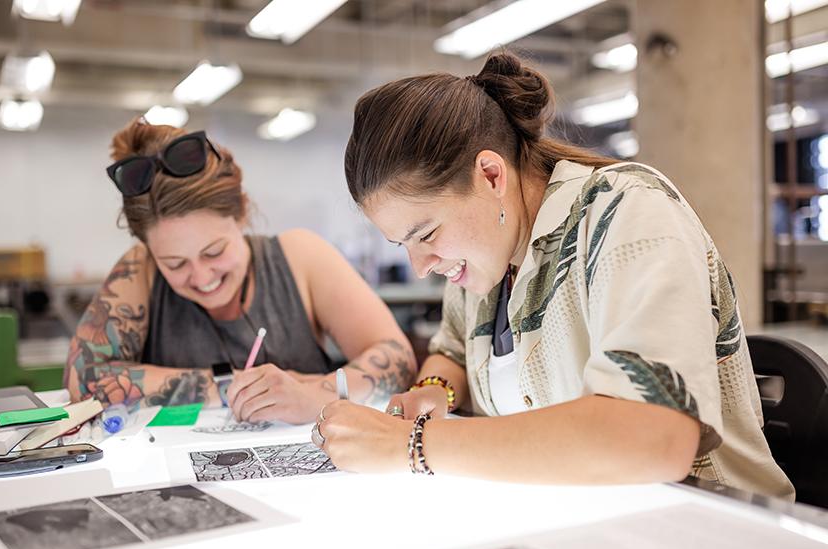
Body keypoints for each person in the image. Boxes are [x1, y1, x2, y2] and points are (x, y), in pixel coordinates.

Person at [316, 53, 794, 499]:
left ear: (489, 175)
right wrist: (433, 392)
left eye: (426, 233)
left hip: (709, 531)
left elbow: (654, 437)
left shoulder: (627, 213)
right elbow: (452, 352)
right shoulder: (484, 262)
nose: (422, 265)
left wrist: (414, 444)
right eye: (405, 245)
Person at [64, 119, 415, 424]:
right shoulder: (139, 271)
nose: (202, 277)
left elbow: (397, 358)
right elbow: (84, 378)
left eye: (214, 252)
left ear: (242, 214)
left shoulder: (300, 257)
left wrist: (317, 395)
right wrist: (230, 386)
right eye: (175, 264)